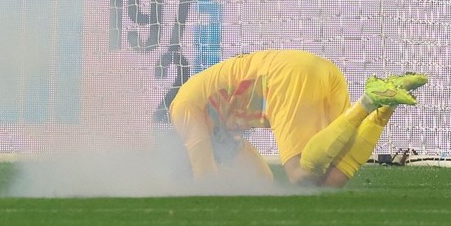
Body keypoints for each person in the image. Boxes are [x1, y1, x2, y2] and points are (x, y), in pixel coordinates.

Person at [168, 49, 428, 187]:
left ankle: (368, 101)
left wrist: (186, 183)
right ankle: (384, 105)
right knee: (331, 181)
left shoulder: (183, 108)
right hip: (316, 69)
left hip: (284, 76)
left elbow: (205, 180)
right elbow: (262, 180)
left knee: (301, 174)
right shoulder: (224, 133)